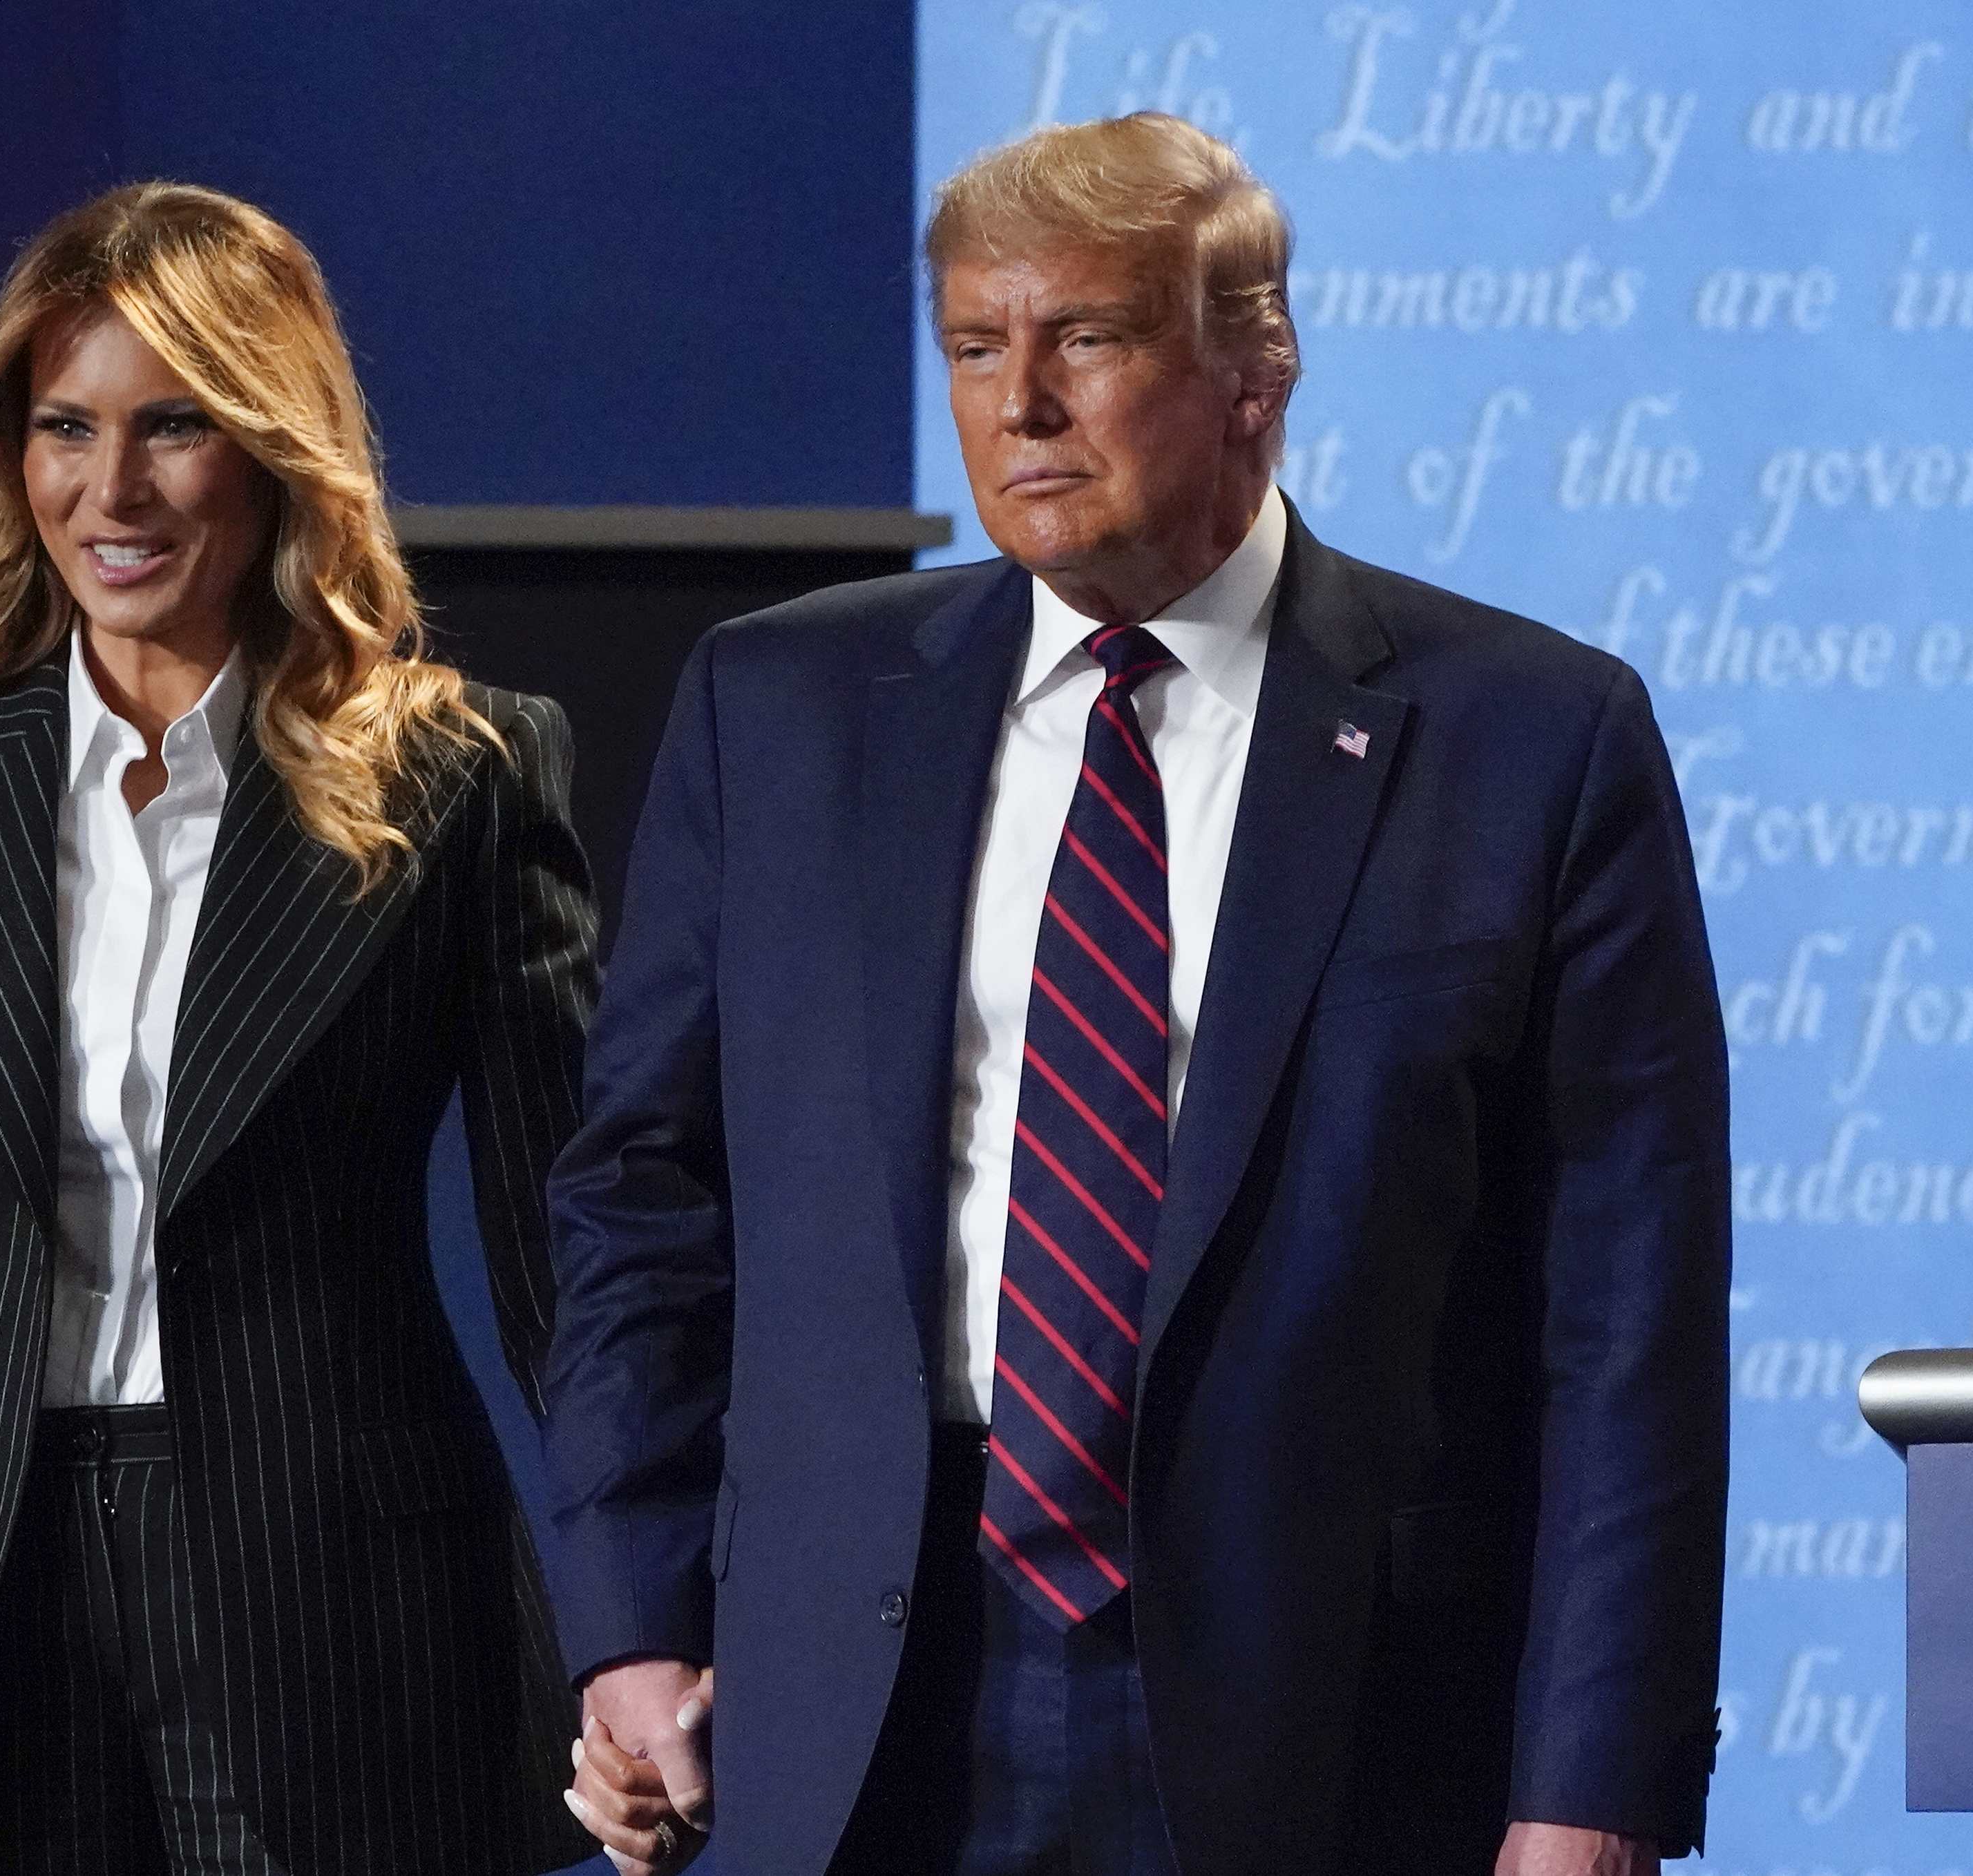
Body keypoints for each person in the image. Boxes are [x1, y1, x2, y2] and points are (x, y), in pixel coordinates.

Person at [544, 113, 1728, 1876]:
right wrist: (631, 1620)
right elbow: (644, 1193)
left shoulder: (1530, 740)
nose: (1016, 403)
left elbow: (1622, 1319)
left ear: (1253, 372)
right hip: (853, 1695)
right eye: (972, 345)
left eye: (1081, 339)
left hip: (1336, 1717)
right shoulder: (780, 708)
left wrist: (1588, 1786)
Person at [0, 182, 600, 1876]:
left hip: (343, 1609)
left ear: (276, 444)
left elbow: (565, 1262)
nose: (106, 491)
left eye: (172, 426)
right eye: (63, 428)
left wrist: (657, 1629)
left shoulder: (465, 779)